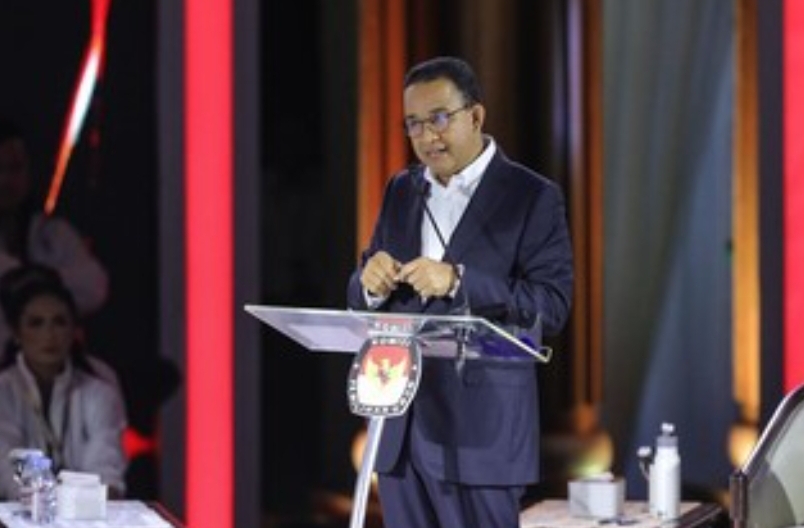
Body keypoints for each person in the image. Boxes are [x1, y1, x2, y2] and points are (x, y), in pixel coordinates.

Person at [346, 56, 574, 528]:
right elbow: (362, 288)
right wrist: (369, 284)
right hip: (400, 431)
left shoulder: (531, 195)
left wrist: (457, 281)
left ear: (475, 115)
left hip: (481, 436)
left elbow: (551, 306)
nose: (427, 136)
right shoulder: (401, 189)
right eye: (414, 124)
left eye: (439, 118)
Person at [0, 272, 127, 500]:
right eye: (36, 323)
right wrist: (46, 499)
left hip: (87, 510)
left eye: (59, 322)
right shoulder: (4, 390)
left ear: (74, 331)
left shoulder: (99, 390)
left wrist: (89, 497)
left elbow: (106, 461)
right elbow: (8, 463)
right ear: (17, 334)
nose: (49, 335)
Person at [0, 117, 108, 359]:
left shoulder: (51, 233)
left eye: (14, 168)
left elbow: (95, 286)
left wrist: (38, 279)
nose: (5, 180)